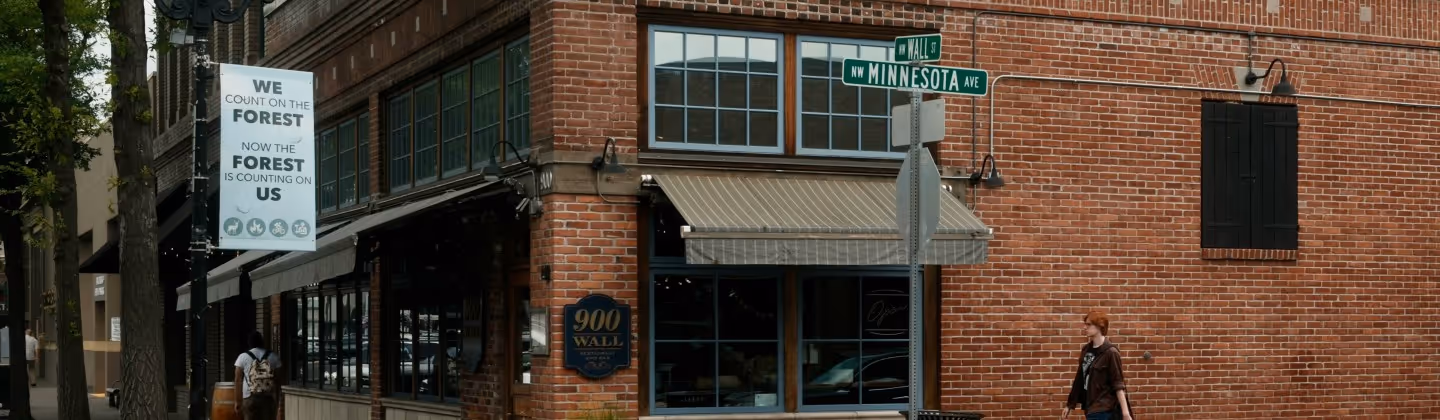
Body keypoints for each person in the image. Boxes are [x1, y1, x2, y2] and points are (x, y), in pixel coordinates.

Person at [1061, 311, 1133, 420]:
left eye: (1089, 324)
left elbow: (1118, 383)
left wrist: (1125, 413)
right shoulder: (1086, 350)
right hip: (1090, 407)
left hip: (1104, 409)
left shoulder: (1110, 352)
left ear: (1100, 326)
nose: (1085, 327)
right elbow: (1079, 378)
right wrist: (1070, 404)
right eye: (1085, 324)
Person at [234, 331, 281, 420]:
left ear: (249, 342)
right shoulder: (273, 356)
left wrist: (237, 401)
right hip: (267, 397)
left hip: (249, 397)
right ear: (262, 342)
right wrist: (277, 400)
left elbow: (237, 379)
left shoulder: (242, 357)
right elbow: (277, 381)